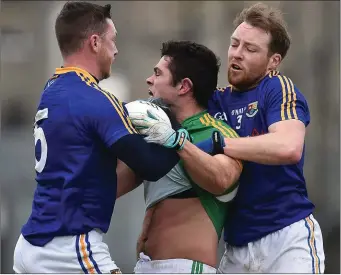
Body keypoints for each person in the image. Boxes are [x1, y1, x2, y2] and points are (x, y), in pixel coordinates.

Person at [128, 3, 325, 273]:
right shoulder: (216, 100)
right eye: (235, 44)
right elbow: (173, 102)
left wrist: (220, 144)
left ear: (273, 61)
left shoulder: (277, 88)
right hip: (236, 245)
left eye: (251, 49)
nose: (237, 54)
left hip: (286, 235)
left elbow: (288, 147)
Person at [12, 2, 183, 273]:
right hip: (69, 246)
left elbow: (92, 165)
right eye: (112, 40)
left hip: (30, 245)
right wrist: (177, 129)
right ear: (94, 42)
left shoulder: (52, 89)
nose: (115, 50)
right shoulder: (96, 99)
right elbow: (150, 165)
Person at [122, 40, 242, 273]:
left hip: (186, 268)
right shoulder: (155, 131)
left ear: (184, 87)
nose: (149, 80)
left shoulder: (217, 132)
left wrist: (175, 141)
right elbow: (112, 185)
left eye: (158, 73)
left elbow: (223, 178)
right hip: (145, 267)